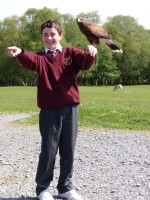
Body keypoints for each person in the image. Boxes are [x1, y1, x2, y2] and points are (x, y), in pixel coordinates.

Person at [7, 19, 97, 200]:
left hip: (70, 110)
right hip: (49, 112)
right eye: (45, 35)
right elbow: (29, 59)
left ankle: (65, 188)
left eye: (53, 34)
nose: (49, 38)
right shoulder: (41, 59)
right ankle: (42, 189)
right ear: (42, 37)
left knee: (68, 150)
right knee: (48, 150)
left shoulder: (70, 53)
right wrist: (20, 52)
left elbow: (85, 63)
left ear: (60, 35)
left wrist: (91, 52)